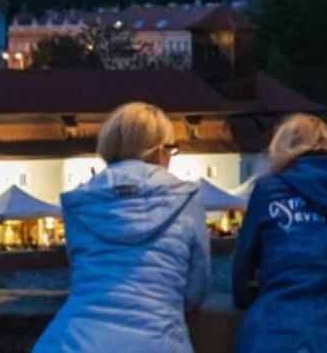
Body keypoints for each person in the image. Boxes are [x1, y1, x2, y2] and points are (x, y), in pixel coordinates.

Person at [34, 102, 210, 353]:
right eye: (170, 149)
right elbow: (196, 289)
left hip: (72, 342)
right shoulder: (185, 198)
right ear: (160, 150)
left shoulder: (80, 201)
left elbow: (80, 272)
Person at [232, 114, 327, 353]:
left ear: (281, 148)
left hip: (272, 332)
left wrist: (248, 296)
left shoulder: (269, 191)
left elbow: (242, 268)